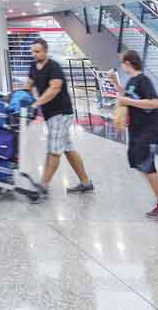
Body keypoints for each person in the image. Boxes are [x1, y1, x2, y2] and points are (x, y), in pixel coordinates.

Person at [27, 37, 93, 196]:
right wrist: (19, 98)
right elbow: (28, 85)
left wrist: (36, 103)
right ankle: (86, 183)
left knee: (54, 149)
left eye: (37, 51)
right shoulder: (33, 66)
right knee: (68, 149)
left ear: (45, 51)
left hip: (61, 113)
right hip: (50, 114)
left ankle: (43, 185)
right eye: (32, 51)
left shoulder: (53, 67)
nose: (34, 54)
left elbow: (54, 89)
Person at [115, 50, 158, 221]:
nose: (121, 66)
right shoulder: (132, 81)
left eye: (122, 63)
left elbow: (155, 103)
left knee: (147, 166)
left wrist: (129, 101)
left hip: (148, 131)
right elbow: (126, 96)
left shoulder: (143, 80)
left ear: (128, 63)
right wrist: (115, 84)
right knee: (139, 163)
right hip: (136, 131)